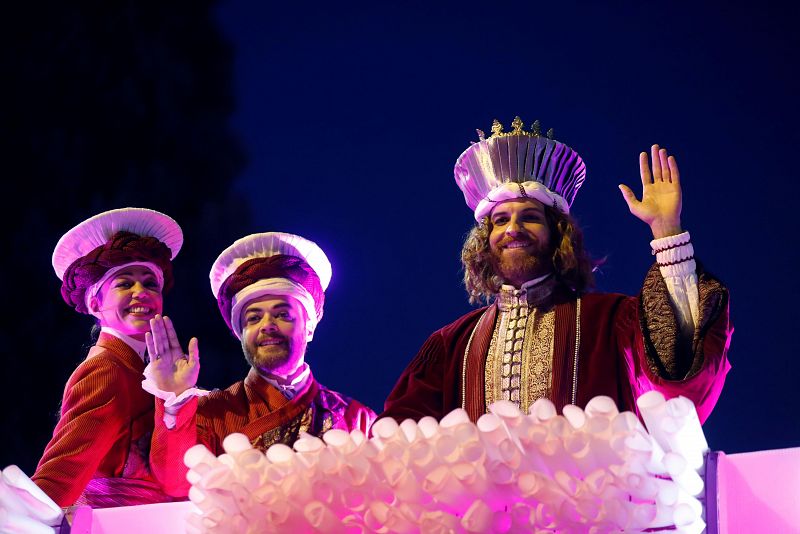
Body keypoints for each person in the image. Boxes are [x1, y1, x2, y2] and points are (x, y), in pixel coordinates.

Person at [382, 117, 732, 424]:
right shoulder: (450, 345)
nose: (512, 229)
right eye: (500, 220)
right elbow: (399, 443)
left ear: (558, 234)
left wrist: (666, 230)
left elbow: (680, 375)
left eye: (530, 217)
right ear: (484, 240)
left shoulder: (612, 322)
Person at [145, 232, 376, 497]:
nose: (267, 325)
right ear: (239, 333)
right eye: (253, 318)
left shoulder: (356, 419)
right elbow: (175, 484)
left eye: (282, 314)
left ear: (310, 326)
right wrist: (174, 402)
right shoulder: (211, 413)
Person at [32, 207, 183, 507]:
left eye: (150, 283)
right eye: (124, 283)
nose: (141, 292)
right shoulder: (106, 370)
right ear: (94, 302)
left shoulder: (147, 370)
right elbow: (60, 476)